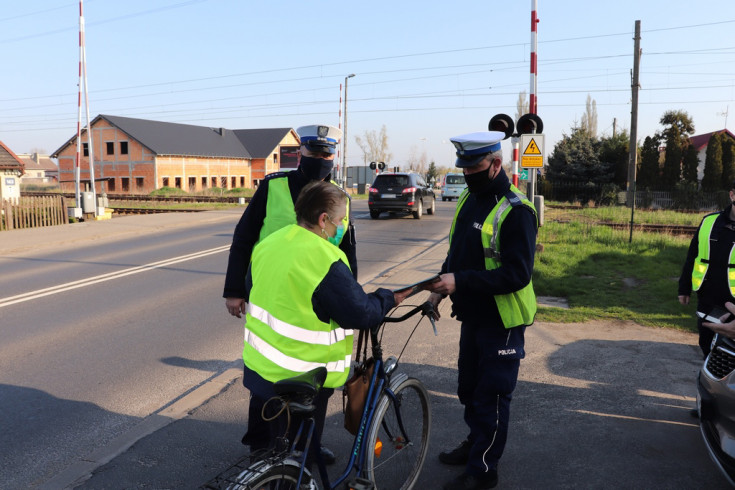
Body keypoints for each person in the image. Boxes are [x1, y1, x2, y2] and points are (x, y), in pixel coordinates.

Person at [241, 181, 411, 470]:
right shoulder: (325, 258)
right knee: (296, 460)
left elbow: (252, 290)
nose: (343, 225)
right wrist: (386, 298)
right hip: (303, 376)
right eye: (341, 219)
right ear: (323, 220)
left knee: (271, 450)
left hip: (260, 368)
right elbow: (360, 313)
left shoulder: (270, 242)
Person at [223, 124, 357, 461]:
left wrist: (352, 296)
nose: (321, 159)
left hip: (319, 301)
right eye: (315, 153)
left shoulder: (340, 198)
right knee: (268, 372)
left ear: (333, 156)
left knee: (318, 379)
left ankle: (306, 445)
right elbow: (243, 238)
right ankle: (262, 446)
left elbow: (348, 251)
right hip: (274, 298)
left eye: (326, 154)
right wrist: (234, 291)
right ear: (301, 153)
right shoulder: (273, 187)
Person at [425, 131, 538, 490]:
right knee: (469, 389)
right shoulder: (469, 199)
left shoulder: (517, 210)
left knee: (492, 394)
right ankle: (476, 444)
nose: (468, 172)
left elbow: (517, 275)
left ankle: (483, 470)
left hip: (502, 319)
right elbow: (458, 253)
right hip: (472, 315)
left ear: (497, 164)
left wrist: (461, 281)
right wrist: (439, 292)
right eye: (465, 166)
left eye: (475, 166)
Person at [678, 181, 735, 358]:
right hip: (708, 297)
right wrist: (684, 288)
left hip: (733, 303)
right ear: (732, 195)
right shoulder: (709, 222)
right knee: (706, 344)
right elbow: (693, 257)